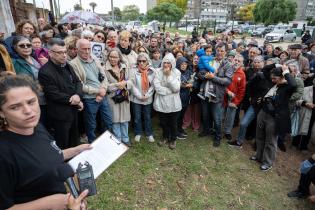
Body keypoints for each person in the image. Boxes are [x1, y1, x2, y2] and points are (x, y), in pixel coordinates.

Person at [0, 74, 90, 210]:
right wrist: (51, 203)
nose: (28, 111)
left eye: (31, 102)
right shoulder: (4, 152)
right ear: (2, 112)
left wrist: (75, 150)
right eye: (15, 107)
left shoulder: (37, 128)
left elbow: (47, 156)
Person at [39, 38, 84, 149]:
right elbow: (53, 94)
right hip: (59, 115)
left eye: (65, 51)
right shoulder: (45, 71)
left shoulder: (67, 65)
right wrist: (74, 100)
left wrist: (78, 96)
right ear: (50, 53)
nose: (64, 55)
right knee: (63, 143)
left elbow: (78, 82)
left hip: (73, 111)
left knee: (74, 139)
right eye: (60, 52)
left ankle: (75, 162)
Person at [251, 66, 297, 171]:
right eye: (272, 78)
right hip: (263, 112)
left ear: (282, 77)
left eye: (275, 78)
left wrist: (286, 71)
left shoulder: (287, 87)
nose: (272, 80)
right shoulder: (273, 82)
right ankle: (258, 156)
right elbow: (265, 70)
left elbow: (293, 84)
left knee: (270, 141)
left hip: (274, 118)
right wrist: (276, 65)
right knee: (259, 136)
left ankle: (267, 162)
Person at [70, 39, 113, 143]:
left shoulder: (95, 59)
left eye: (89, 48)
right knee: (91, 124)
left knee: (108, 120)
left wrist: (103, 89)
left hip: (102, 95)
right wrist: (97, 91)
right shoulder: (73, 64)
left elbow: (104, 76)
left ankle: (109, 141)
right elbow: (79, 85)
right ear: (77, 50)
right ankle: (92, 145)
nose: (87, 51)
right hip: (89, 99)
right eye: (84, 49)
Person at [105, 48, 133, 146]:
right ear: (108, 57)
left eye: (115, 57)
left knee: (125, 119)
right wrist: (117, 85)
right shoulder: (104, 68)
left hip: (124, 97)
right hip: (112, 98)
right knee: (115, 119)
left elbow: (131, 80)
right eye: (111, 57)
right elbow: (106, 86)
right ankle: (118, 139)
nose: (113, 59)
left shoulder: (125, 67)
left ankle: (125, 138)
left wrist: (125, 83)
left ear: (119, 58)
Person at [154, 53, 181, 149]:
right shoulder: (158, 72)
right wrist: (169, 91)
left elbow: (176, 89)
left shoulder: (177, 72)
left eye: (168, 63)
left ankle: (173, 139)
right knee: (163, 122)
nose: (166, 65)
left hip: (174, 103)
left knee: (173, 122)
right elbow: (157, 87)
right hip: (161, 102)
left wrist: (169, 76)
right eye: (164, 62)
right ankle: (165, 137)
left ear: (172, 63)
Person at [130, 53, 156, 143]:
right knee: (137, 117)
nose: (141, 63)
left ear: (147, 61)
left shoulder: (152, 71)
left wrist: (147, 95)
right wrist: (139, 96)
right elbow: (132, 85)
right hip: (136, 98)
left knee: (147, 116)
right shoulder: (133, 70)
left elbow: (153, 85)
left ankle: (149, 133)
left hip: (147, 98)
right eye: (139, 61)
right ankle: (138, 132)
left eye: (143, 61)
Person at [223, 54, 246, 141]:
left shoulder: (242, 74)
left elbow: (242, 90)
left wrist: (236, 102)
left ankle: (227, 132)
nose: (236, 62)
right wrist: (227, 91)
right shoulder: (226, 69)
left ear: (242, 63)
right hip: (222, 96)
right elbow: (220, 82)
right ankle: (216, 129)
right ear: (232, 60)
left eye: (238, 61)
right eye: (235, 60)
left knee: (230, 116)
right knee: (220, 114)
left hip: (233, 98)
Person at [176, 56, 193, 140]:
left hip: (186, 97)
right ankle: (176, 131)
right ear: (178, 64)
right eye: (182, 64)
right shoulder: (175, 72)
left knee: (182, 114)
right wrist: (186, 85)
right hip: (178, 97)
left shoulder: (189, 72)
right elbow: (175, 84)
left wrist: (192, 84)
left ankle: (179, 128)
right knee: (177, 115)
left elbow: (193, 81)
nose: (183, 65)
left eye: (185, 64)